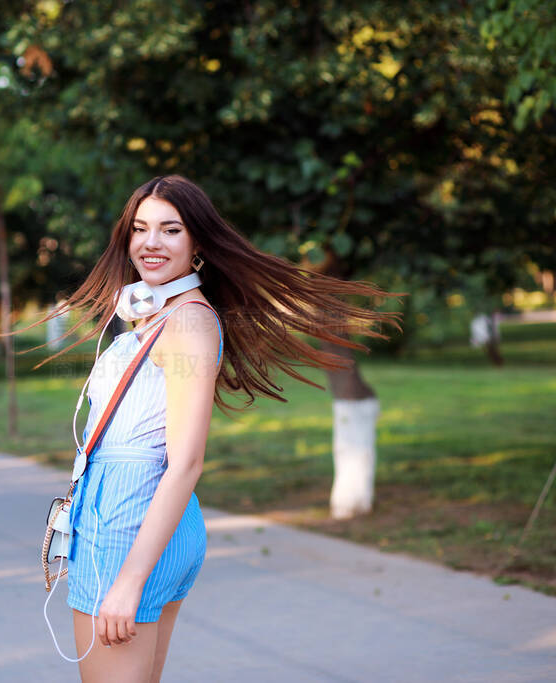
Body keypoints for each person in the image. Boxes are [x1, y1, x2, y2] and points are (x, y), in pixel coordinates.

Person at [28, 175, 401, 682]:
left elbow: (187, 462)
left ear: (197, 242)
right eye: (140, 229)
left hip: (127, 521)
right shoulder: (169, 315)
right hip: (147, 516)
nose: (150, 243)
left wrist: (128, 578)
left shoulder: (186, 323)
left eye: (170, 229)